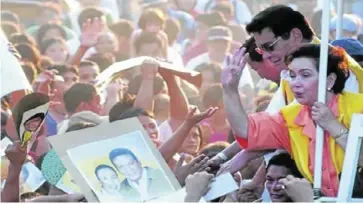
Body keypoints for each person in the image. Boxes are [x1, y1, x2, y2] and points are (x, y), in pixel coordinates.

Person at [222, 43, 363, 197]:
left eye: (305, 75)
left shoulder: (359, 107)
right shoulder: (290, 116)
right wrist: (230, 90)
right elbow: (246, 131)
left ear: (329, 80)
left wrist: (334, 127)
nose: (295, 83)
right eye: (292, 75)